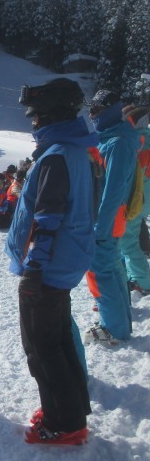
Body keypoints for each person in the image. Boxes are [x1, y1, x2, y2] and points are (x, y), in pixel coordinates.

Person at [6, 77, 96, 445]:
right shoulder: (73, 151)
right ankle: (71, 409)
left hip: (47, 267)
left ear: (52, 116)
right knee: (57, 340)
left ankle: (65, 424)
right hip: (64, 264)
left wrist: (34, 269)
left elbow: (47, 219)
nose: (33, 122)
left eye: (37, 116)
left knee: (41, 347)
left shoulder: (56, 155)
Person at [84, 90, 140, 344]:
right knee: (112, 267)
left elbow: (113, 189)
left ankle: (114, 329)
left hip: (107, 217)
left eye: (96, 110)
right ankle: (120, 323)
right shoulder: (113, 137)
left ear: (109, 110)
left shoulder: (117, 142)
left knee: (100, 269)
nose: (91, 114)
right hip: (110, 216)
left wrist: (101, 226)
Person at [120, 106, 150, 296]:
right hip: (144, 199)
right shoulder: (145, 139)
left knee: (127, 242)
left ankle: (144, 281)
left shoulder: (138, 143)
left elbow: (133, 176)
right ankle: (135, 277)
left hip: (137, 200)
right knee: (129, 240)